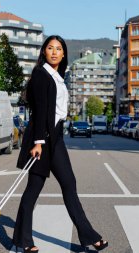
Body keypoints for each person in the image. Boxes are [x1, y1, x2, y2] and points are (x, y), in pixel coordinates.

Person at [13, 35, 108, 253]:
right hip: (42, 139)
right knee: (33, 189)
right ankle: (24, 241)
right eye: (50, 48)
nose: (54, 52)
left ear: (64, 53)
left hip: (55, 138)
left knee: (69, 184)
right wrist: (38, 142)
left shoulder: (58, 76)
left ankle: (88, 236)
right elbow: (39, 111)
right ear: (44, 51)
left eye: (58, 49)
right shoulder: (40, 74)